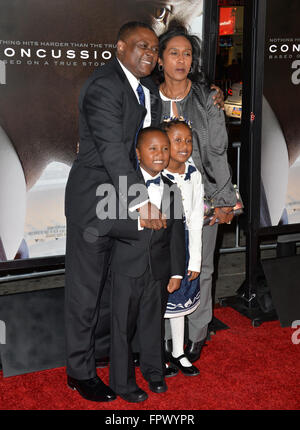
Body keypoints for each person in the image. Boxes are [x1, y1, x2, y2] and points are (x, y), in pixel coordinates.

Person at [64, 21, 168, 403]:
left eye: (155, 49)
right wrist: (143, 200)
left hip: (125, 200)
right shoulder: (105, 85)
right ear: (120, 47)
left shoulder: (151, 92)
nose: (150, 54)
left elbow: (144, 149)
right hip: (95, 202)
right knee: (85, 293)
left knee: (123, 287)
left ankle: (124, 361)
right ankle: (79, 372)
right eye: (142, 46)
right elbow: (112, 151)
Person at [156, 23, 236, 363]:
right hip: (159, 200)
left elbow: (218, 152)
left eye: (187, 54)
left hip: (201, 195)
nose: (181, 60)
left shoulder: (207, 99)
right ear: (159, 60)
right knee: (162, 268)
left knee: (201, 266)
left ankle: (198, 333)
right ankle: (160, 334)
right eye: (173, 53)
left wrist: (225, 199)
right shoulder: (146, 99)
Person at [109, 126, 185, 402]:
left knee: (153, 324)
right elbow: (109, 225)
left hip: (159, 268)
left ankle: (155, 372)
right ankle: (122, 381)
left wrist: (176, 270)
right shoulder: (122, 185)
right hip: (126, 267)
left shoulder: (172, 189)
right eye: (152, 148)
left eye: (165, 148)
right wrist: (140, 221)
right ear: (138, 152)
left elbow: (177, 234)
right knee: (122, 327)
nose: (160, 154)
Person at [160, 117, 204, 376]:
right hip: (162, 245)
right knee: (158, 300)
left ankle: (178, 351)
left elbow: (197, 216)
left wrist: (195, 259)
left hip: (186, 242)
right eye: (177, 140)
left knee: (180, 301)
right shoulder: (157, 174)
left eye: (188, 140)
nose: (184, 145)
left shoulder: (193, 173)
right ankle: (156, 353)